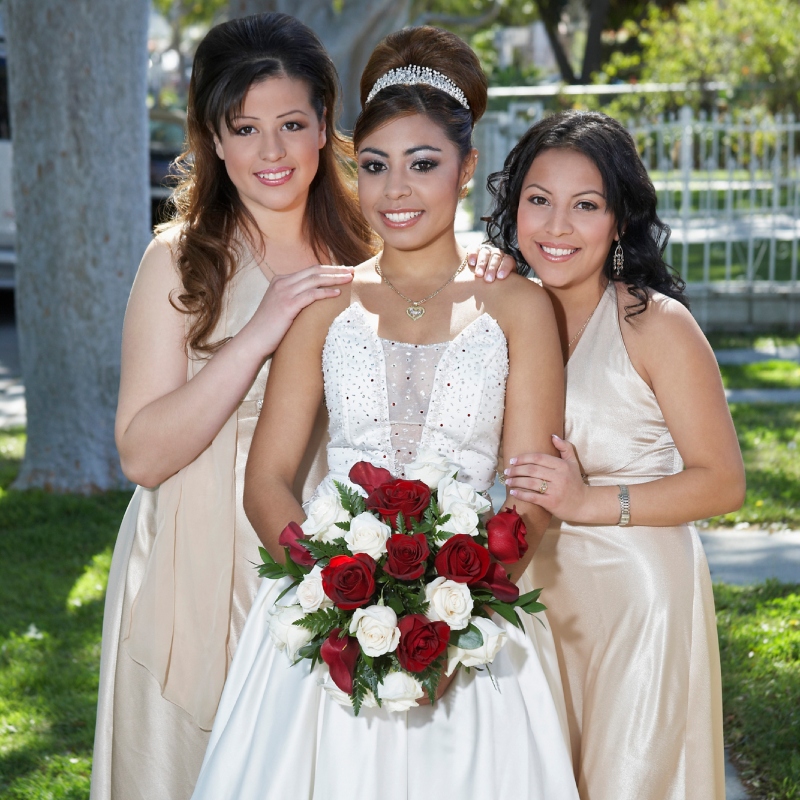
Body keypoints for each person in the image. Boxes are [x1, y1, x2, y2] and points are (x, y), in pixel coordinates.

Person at [90, 13, 512, 800]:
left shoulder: (365, 244)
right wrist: (259, 332)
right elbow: (142, 454)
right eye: (244, 128)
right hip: (194, 544)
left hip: (334, 541)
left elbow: (444, 302)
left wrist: (487, 251)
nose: (272, 151)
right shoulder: (182, 258)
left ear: (328, 126)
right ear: (214, 140)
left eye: (292, 123)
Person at [190, 26, 579, 800]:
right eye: (374, 166)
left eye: (423, 164)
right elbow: (266, 480)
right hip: (327, 620)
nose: (397, 190)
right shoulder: (324, 304)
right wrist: (333, 591)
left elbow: (534, 492)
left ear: (467, 170)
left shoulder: (519, 306)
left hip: (473, 627)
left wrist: (457, 608)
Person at [487, 110, 745, 800]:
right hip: (532, 593)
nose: (557, 226)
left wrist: (588, 501)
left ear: (619, 219)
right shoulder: (498, 315)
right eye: (538, 201)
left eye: (586, 205)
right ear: (513, 209)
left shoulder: (655, 324)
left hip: (639, 598)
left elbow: (723, 483)